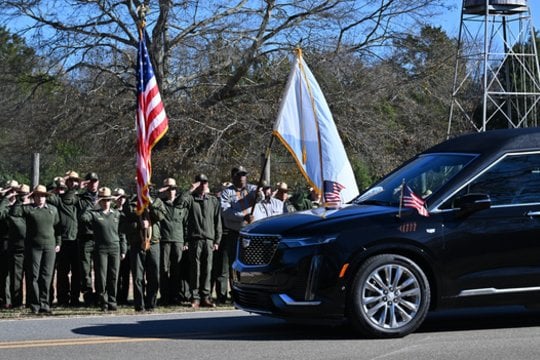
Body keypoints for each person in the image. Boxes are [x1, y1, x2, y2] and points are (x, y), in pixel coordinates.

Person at [10, 185, 61, 314]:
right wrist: (22, 199)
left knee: (47, 276)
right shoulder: (28, 209)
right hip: (34, 247)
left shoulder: (53, 210)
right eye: (38, 195)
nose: (40, 198)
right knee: (34, 276)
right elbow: (14, 213)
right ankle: (35, 304)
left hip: (50, 246)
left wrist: (58, 243)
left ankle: (45, 303)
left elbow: (58, 228)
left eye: (43, 195)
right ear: (34, 197)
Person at [80, 187, 127, 311]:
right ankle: (103, 301)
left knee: (113, 276)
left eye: (107, 200)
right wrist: (93, 205)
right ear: (100, 201)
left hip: (115, 248)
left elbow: (121, 233)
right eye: (103, 200)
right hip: (101, 249)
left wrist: (123, 249)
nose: (106, 202)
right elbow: (83, 218)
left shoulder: (116, 214)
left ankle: (112, 300)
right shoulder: (95, 214)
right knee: (101, 277)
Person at [217, 166, 257, 303]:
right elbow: (225, 211)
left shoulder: (252, 189)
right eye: (239, 175)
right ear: (233, 177)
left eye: (244, 175)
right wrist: (242, 217)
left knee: (252, 265)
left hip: (252, 233)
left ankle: (251, 294)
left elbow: (261, 197)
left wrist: (260, 192)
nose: (242, 177)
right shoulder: (227, 193)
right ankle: (235, 294)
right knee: (235, 265)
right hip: (235, 233)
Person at [181, 174, 222, 308]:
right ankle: (195, 297)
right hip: (195, 240)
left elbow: (218, 222)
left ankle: (206, 297)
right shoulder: (191, 199)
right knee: (195, 270)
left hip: (209, 240)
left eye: (205, 182)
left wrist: (217, 240)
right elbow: (179, 203)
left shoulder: (213, 200)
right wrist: (190, 189)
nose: (203, 185)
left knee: (207, 270)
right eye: (200, 183)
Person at [124, 190, 166, 312]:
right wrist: (139, 223)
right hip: (137, 243)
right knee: (138, 277)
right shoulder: (131, 202)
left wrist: (150, 202)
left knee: (153, 275)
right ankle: (139, 305)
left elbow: (160, 216)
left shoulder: (157, 201)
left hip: (153, 244)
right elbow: (126, 221)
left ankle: (151, 304)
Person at [47, 170, 81, 307]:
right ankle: (62, 299)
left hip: (76, 240)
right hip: (63, 240)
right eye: (60, 188)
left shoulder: (77, 198)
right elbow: (48, 196)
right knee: (62, 272)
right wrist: (59, 183)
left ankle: (74, 298)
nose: (61, 191)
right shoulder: (59, 200)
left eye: (75, 181)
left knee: (77, 272)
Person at [0, 184, 30, 309]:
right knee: (13, 275)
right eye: (19, 194)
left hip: (30, 245)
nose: (21, 197)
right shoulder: (8, 208)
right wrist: (6, 198)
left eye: (24, 194)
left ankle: (31, 302)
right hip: (10, 244)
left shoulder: (31, 208)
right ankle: (13, 301)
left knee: (31, 276)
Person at [158, 178, 187, 305]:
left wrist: (185, 242)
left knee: (177, 269)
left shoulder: (181, 204)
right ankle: (164, 296)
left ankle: (175, 296)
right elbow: (151, 200)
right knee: (163, 269)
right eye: (168, 189)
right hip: (164, 240)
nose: (171, 191)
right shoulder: (160, 203)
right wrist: (161, 191)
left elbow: (186, 224)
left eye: (173, 189)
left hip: (178, 240)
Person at [78, 172, 99, 306]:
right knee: (85, 269)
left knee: (100, 268)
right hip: (86, 237)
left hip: (100, 237)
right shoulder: (80, 198)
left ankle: (100, 294)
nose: (93, 184)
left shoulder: (104, 196)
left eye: (95, 181)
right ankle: (88, 294)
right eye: (90, 181)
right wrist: (79, 188)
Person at [113, 188, 131, 305]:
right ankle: (116, 297)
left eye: (123, 197)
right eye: (118, 197)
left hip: (129, 246)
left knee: (126, 274)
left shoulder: (128, 212)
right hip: (116, 245)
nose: (121, 199)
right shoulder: (111, 211)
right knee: (116, 274)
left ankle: (124, 298)